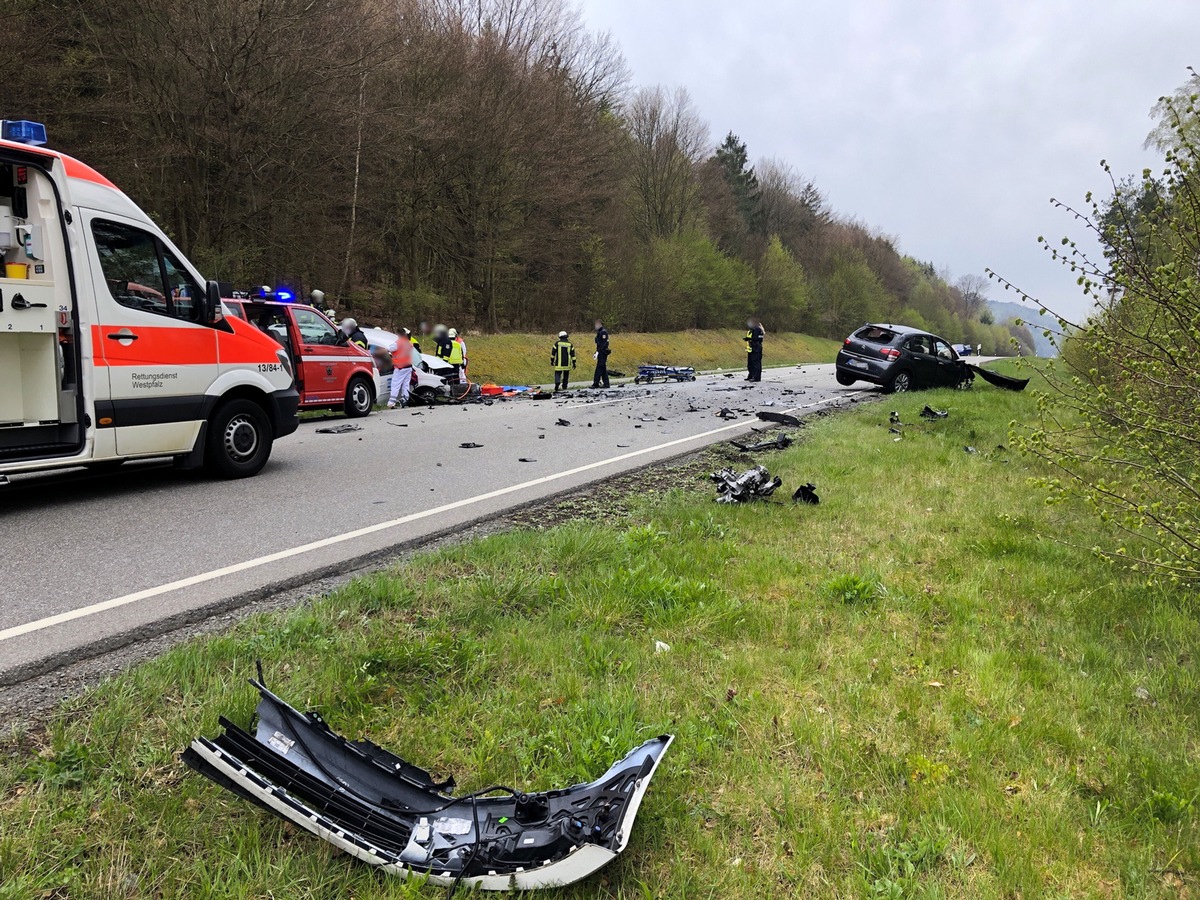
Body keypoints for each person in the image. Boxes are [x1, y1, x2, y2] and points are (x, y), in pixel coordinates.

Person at [387, 328, 416, 408]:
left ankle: (391, 402)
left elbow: (389, 349)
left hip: (400, 367)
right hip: (408, 366)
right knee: (406, 385)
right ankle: (405, 400)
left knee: (395, 384)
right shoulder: (409, 343)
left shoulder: (399, 342)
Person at [591, 319, 610, 389]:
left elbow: (603, 343)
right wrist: (597, 352)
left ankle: (596, 383)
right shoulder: (599, 332)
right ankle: (606, 383)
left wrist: (598, 351)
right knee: (603, 368)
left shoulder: (603, 332)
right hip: (600, 352)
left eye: (596, 324)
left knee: (599, 368)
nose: (595, 326)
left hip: (603, 352)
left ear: (600, 324)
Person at [744, 317, 765, 382]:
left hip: (756, 347)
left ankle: (756, 377)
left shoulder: (757, 329)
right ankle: (751, 375)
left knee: (756, 363)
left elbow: (757, 338)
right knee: (751, 363)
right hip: (751, 348)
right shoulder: (752, 330)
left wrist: (749, 339)